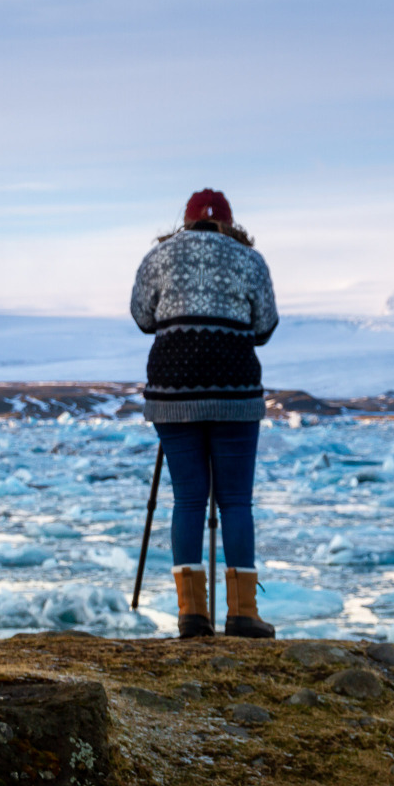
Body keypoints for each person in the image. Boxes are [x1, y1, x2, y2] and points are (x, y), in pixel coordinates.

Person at [130, 189, 278, 639]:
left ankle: (192, 614)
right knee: (235, 501)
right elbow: (265, 325)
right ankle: (242, 613)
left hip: (173, 390)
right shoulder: (249, 259)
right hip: (235, 390)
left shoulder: (158, 257)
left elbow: (142, 316)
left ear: (186, 220)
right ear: (229, 223)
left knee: (189, 499)